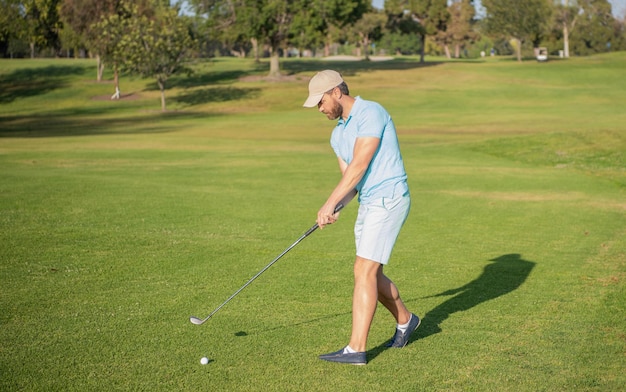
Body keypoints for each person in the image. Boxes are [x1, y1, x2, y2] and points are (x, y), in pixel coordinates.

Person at [303, 70, 420, 365]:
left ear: (335, 92)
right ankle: (406, 320)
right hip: (369, 202)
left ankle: (357, 349)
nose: (320, 109)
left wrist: (327, 203)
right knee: (372, 275)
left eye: (320, 102)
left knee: (363, 271)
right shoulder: (337, 134)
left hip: (390, 198)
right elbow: (351, 182)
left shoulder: (372, 112)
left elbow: (360, 164)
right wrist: (336, 207)